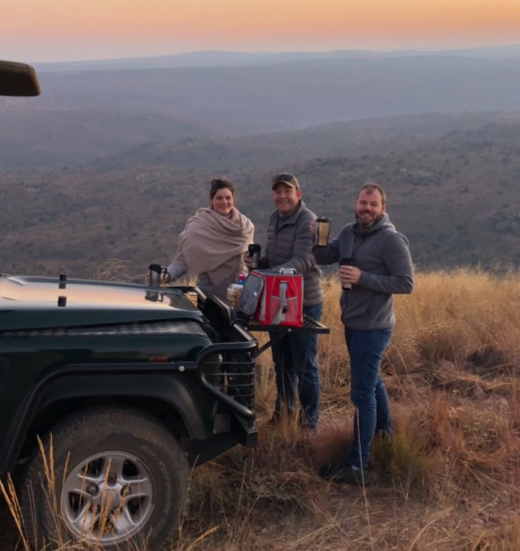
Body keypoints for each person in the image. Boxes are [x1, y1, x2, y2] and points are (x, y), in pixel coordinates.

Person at [313, 183, 414, 485]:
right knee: (372, 383)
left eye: (373, 204)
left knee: (361, 394)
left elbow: (406, 283)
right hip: (354, 323)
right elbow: (324, 256)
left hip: (375, 327)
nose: (366, 209)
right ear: (355, 204)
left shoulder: (391, 240)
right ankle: (386, 435)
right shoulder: (348, 232)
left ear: (383, 208)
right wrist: (316, 236)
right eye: (362, 203)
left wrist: (363, 278)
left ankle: (359, 466)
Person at [256, 173, 323, 428]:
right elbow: (273, 258)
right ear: (272, 194)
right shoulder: (274, 219)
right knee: (282, 362)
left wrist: (269, 273)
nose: (283, 196)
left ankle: (309, 424)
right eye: (278, 191)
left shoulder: (308, 221)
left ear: (298, 193)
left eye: (288, 191)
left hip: (304, 301)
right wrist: (257, 264)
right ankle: (283, 416)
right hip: (277, 300)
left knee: (304, 364)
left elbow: (303, 261)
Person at [162, 178, 255, 298]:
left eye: (228, 198)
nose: (224, 202)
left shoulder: (245, 227)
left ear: (233, 199)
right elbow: (182, 261)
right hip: (208, 293)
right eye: (219, 198)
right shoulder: (199, 225)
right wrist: (166, 275)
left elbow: (250, 262)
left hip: (238, 292)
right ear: (211, 200)